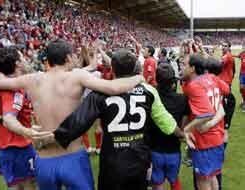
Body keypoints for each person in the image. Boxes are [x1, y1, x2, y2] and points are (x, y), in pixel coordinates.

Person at [0, 40, 144, 190]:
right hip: (73, 157)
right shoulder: (76, 76)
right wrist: (138, 78)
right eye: (73, 55)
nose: (75, 59)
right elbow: (112, 88)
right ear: (67, 58)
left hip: (45, 160)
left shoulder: (32, 79)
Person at [52, 49, 184, 190]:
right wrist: (182, 135)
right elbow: (166, 122)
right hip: (139, 159)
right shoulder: (149, 91)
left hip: (112, 162)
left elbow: (78, 122)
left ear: (113, 69)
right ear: (135, 68)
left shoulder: (100, 93)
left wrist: (52, 137)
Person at [0, 47, 49, 190]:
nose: (25, 59)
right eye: (22, 57)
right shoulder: (14, 91)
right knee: (29, 185)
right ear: (17, 63)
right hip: (18, 148)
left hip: (2, 145)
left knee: (13, 184)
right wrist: (27, 131)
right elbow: (8, 119)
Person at [181, 54, 229, 190]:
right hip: (217, 139)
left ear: (192, 68)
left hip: (204, 142)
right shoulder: (212, 77)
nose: (181, 67)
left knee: (202, 181)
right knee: (212, 176)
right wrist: (219, 110)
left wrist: (187, 129)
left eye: (184, 64)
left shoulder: (193, 85)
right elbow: (226, 90)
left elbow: (205, 114)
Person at [147, 63, 190, 190]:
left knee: (158, 182)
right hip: (173, 148)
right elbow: (185, 122)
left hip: (155, 148)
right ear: (173, 82)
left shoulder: (150, 98)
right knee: (174, 180)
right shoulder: (182, 99)